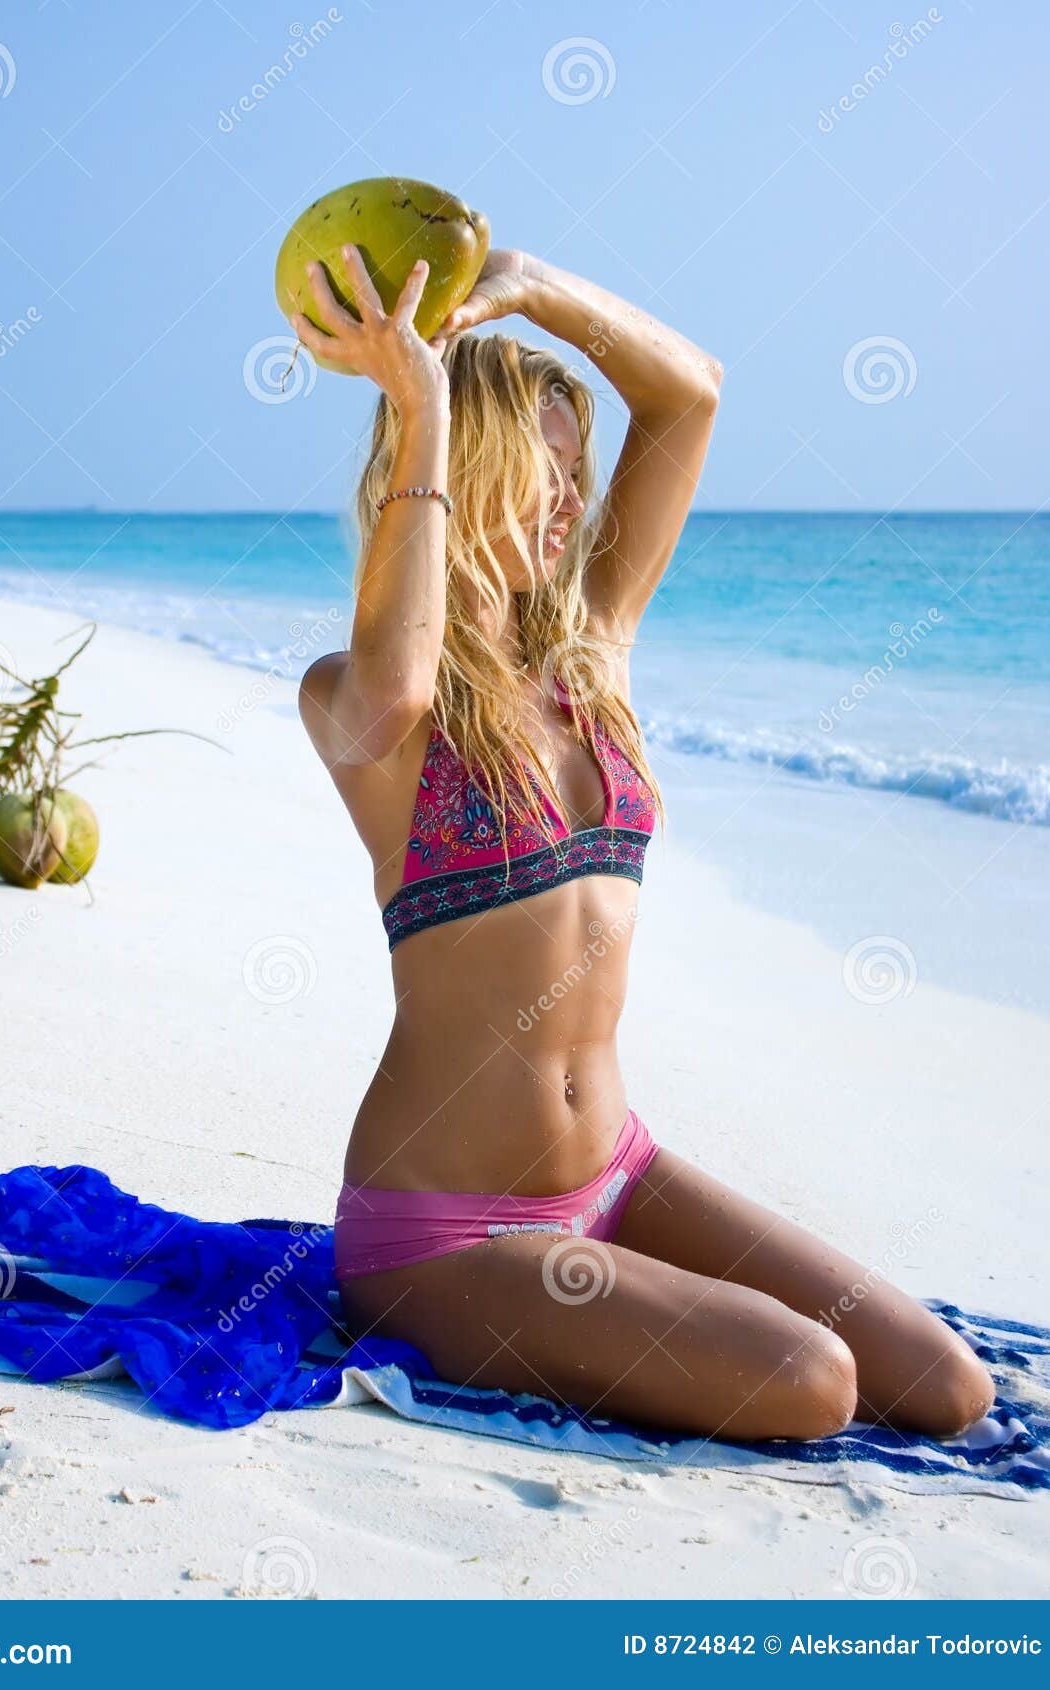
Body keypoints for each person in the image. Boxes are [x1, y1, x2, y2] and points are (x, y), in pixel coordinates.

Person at [292, 245, 994, 1442]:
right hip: (450, 1228)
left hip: (616, 1170)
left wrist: (527, 284)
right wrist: (422, 404)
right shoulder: (360, 701)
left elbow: (687, 393)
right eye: (542, 473)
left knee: (944, 1384)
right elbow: (401, 682)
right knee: (810, 1382)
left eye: (577, 475)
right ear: (461, 477)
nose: (571, 505)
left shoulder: (588, 653)